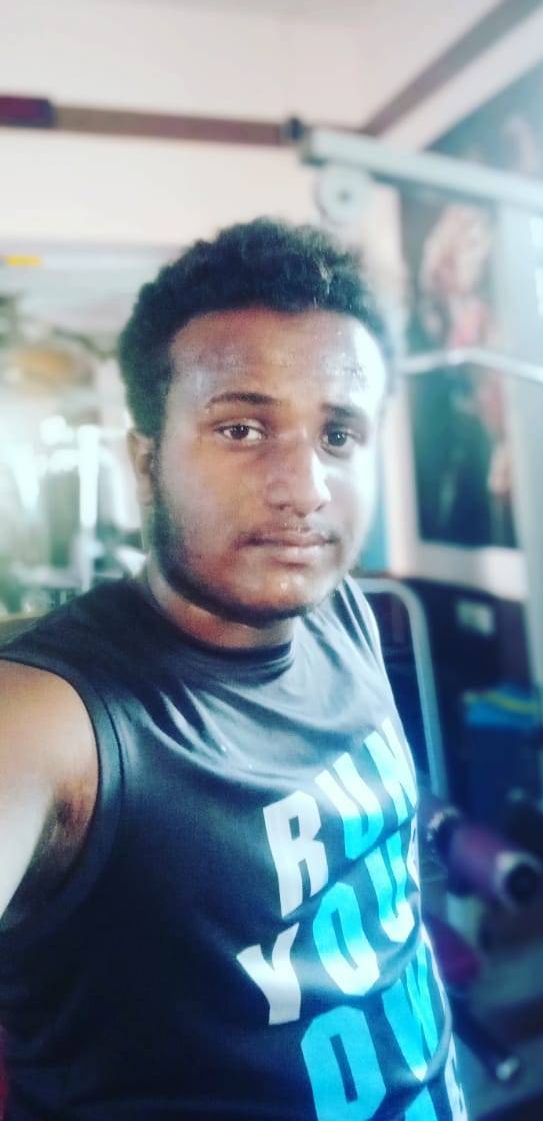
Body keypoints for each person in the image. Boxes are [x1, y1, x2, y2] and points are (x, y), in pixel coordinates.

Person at [0, 219, 467, 1120]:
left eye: (339, 435)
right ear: (146, 465)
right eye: (243, 428)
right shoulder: (57, 720)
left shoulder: (342, 614)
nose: (305, 489)